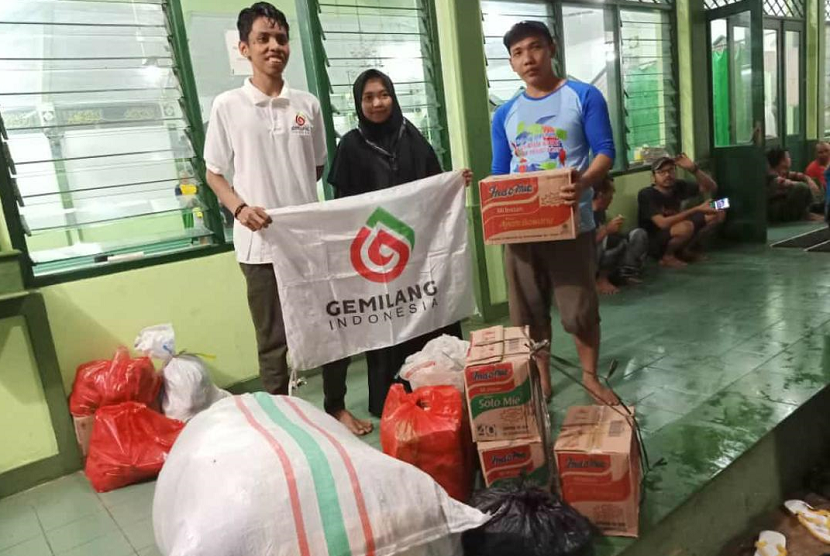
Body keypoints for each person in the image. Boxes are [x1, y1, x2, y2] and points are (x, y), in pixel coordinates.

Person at [322, 69, 473, 427]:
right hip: (379, 257)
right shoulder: (351, 147)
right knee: (389, 320)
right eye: (369, 97)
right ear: (359, 103)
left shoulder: (411, 136)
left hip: (419, 252)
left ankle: (440, 383)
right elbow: (344, 206)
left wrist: (454, 182)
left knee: (427, 313)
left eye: (384, 94)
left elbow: (434, 183)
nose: (377, 103)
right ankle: (394, 394)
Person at [202, 4, 334, 412]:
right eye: (263, 39)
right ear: (244, 48)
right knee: (272, 338)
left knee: (325, 327)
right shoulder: (228, 106)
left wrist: (290, 205)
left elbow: (315, 166)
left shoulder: (307, 104)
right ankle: (281, 419)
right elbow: (214, 174)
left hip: (307, 242)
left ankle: (335, 406)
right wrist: (241, 209)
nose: (274, 46)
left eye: (280, 38)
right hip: (257, 247)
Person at [491, 20, 618, 405]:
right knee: (528, 311)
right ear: (511, 63)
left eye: (535, 48)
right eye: (517, 53)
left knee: (578, 308)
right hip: (522, 231)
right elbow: (499, 172)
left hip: (571, 225)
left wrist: (585, 183)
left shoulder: (584, 96)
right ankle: (542, 378)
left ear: (552, 48)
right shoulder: (505, 114)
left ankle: (591, 377)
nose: (528, 59)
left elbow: (605, 151)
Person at [637, 155, 723, 269]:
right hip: (656, 239)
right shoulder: (646, 194)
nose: (667, 175)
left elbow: (711, 187)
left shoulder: (679, 185)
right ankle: (667, 256)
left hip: (679, 225)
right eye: (661, 172)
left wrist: (694, 169)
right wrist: (697, 209)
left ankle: (684, 250)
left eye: (670, 170)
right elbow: (662, 224)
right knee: (686, 226)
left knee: (719, 209)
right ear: (653, 177)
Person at [593, 178, 648, 295]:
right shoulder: (584, 213)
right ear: (601, 195)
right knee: (613, 241)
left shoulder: (601, 212)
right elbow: (584, 245)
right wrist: (607, 230)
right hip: (589, 259)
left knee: (638, 234)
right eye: (611, 194)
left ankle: (627, 273)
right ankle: (600, 279)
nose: (612, 198)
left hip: (601, 253)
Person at [767, 147, 823, 222]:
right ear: (782, 161)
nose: (790, 159)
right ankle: (812, 211)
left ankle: (816, 209)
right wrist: (803, 185)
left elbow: (797, 175)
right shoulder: (770, 174)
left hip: (784, 206)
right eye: (788, 157)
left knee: (810, 182)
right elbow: (784, 183)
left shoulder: (783, 172)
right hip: (774, 210)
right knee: (801, 187)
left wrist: (808, 180)